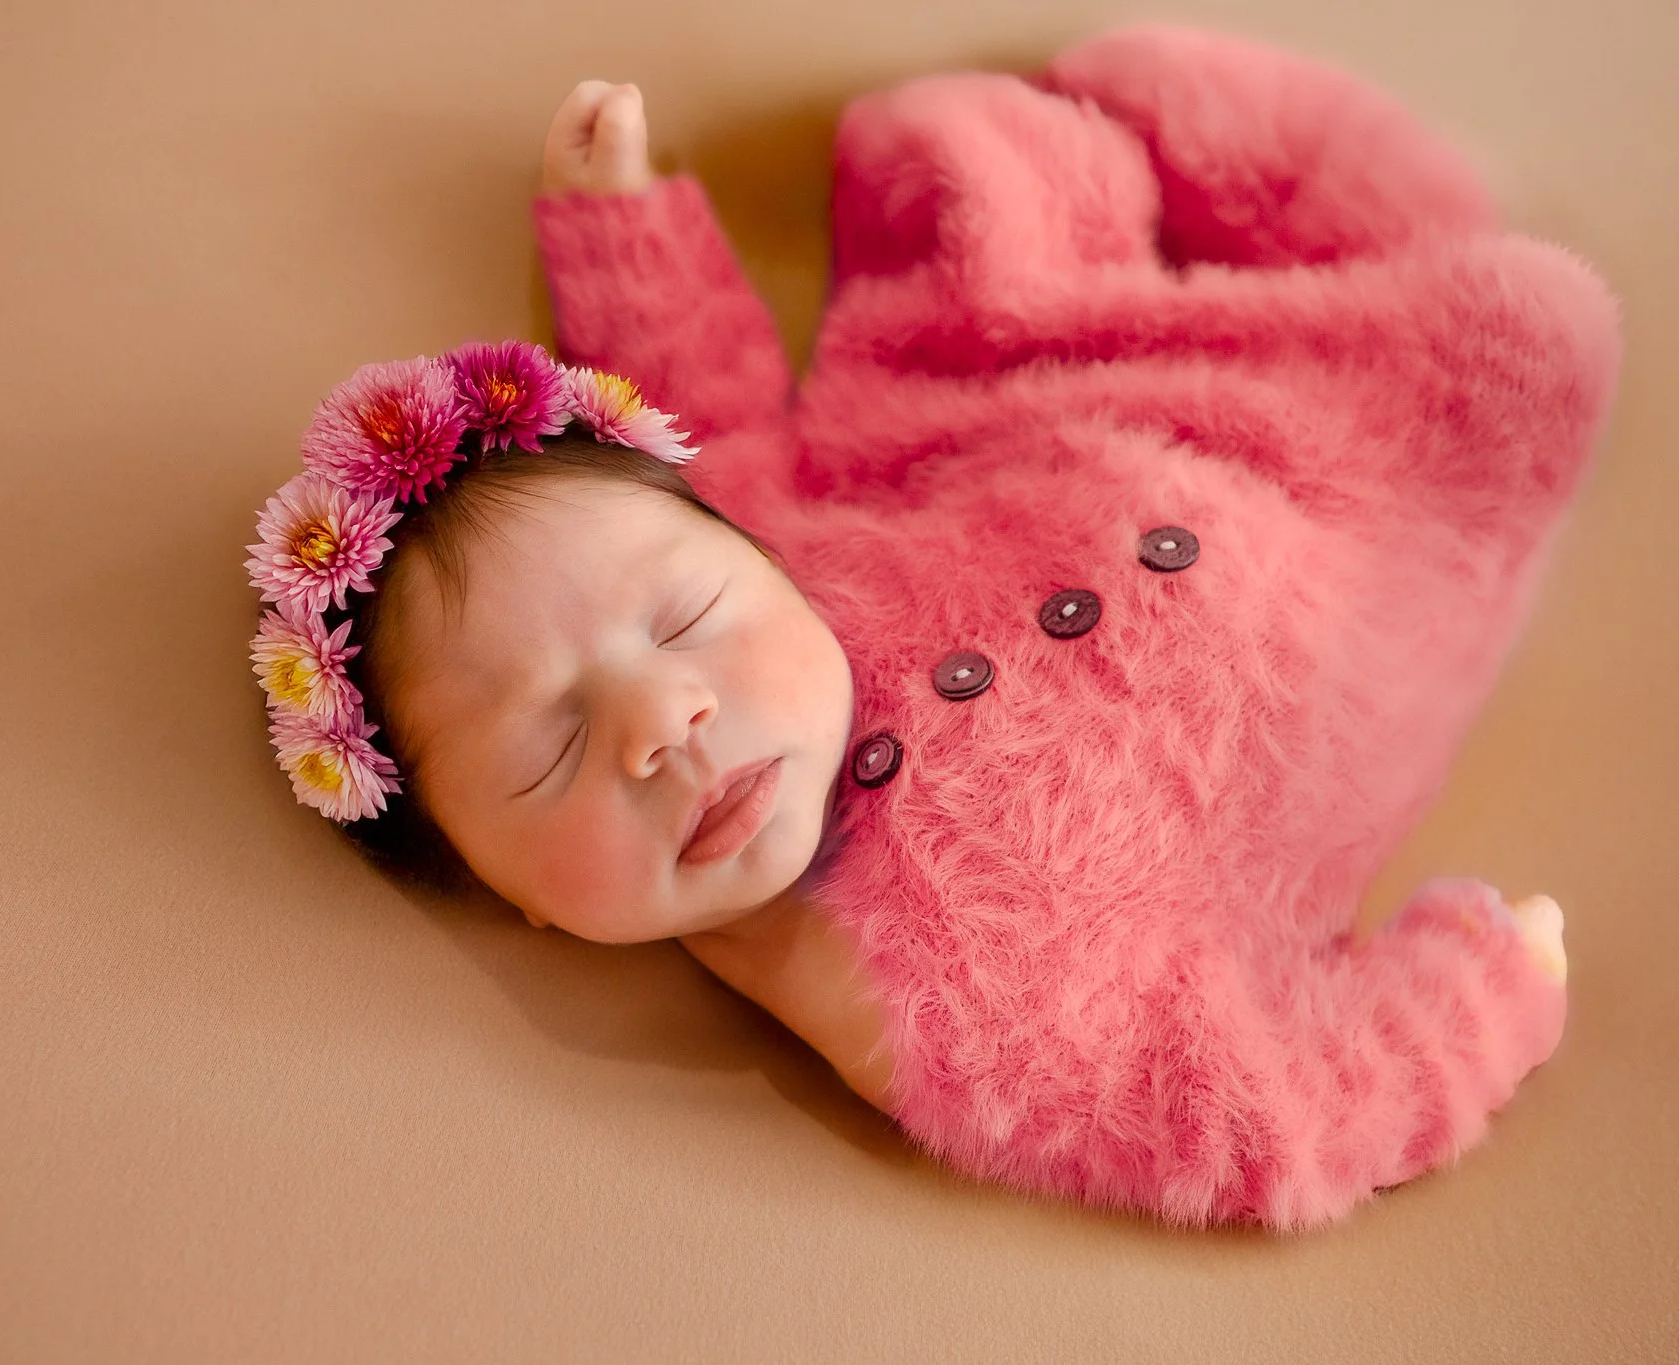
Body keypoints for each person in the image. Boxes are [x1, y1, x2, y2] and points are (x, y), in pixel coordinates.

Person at [248, 24, 1611, 1227]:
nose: (664, 722)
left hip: (1106, 430)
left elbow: (705, 419)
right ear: (509, 897)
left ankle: (1237, 183)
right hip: (1347, 558)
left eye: (688, 615)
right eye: (548, 754)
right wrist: (1481, 996)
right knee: (1505, 333)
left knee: (985, 188)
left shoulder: (763, 553)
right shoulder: (941, 1021)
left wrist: (619, 227)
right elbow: (1270, 1125)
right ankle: (1332, 202)